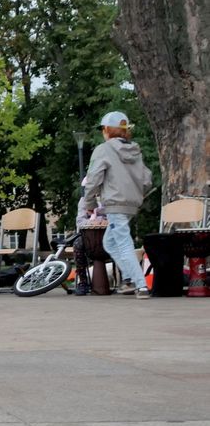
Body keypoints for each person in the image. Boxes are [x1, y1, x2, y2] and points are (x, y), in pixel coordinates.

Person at [83, 111, 153, 299]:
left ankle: (141, 285)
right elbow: (147, 178)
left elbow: (93, 178)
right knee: (110, 242)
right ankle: (129, 278)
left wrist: (89, 202)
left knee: (123, 243)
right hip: (131, 204)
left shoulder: (103, 150)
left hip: (114, 203)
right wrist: (138, 195)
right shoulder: (135, 150)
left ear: (106, 130)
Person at [72, 177, 107, 296]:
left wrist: (103, 220)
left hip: (109, 235)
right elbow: (80, 222)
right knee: (78, 244)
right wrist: (91, 222)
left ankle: (126, 280)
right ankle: (83, 282)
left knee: (123, 244)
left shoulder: (110, 200)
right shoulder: (83, 201)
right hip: (90, 238)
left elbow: (117, 218)